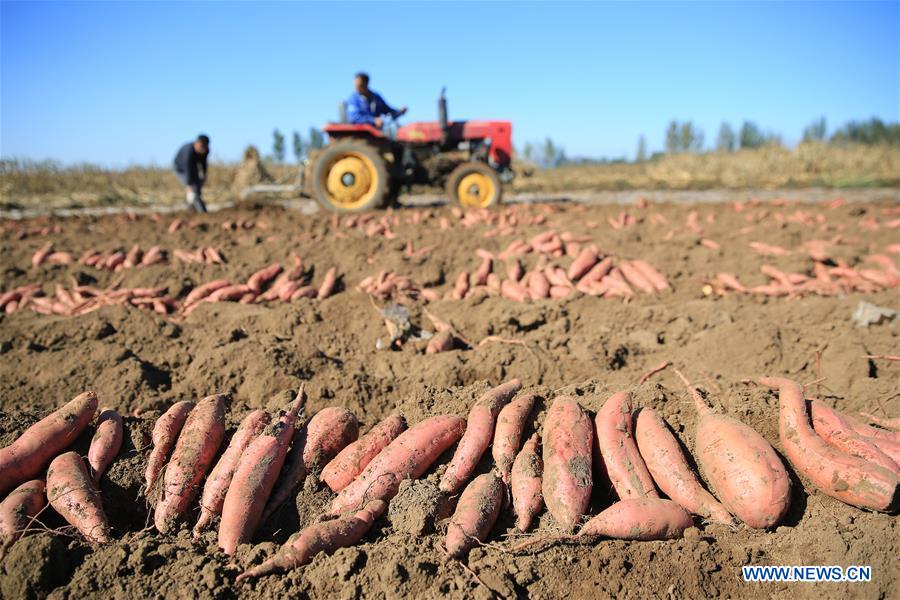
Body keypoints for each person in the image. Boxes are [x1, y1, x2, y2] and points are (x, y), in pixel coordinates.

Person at [173, 134, 210, 212]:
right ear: (196, 143)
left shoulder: (205, 150)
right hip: (181, 168)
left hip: (193, 167)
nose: (202, 150)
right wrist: (188, 184)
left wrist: (204, 175)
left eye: (204, 147)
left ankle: (198, 207)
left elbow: (204, 163)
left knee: (197, 187)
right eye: (201, 147)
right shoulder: (188, 151)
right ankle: (191, 208)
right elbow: (187, 168)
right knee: (192, 188)